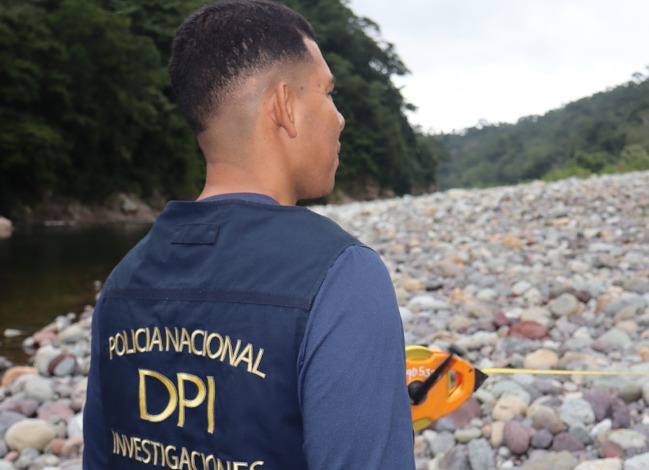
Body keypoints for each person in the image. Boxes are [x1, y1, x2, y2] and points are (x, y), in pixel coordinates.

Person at [82, 1, 415, 468]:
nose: (339, 118)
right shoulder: (342, 275)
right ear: (284, 107)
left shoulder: (122, 282)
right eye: (327, 93)